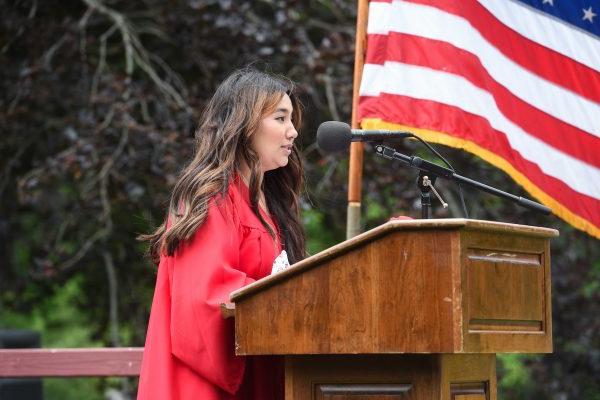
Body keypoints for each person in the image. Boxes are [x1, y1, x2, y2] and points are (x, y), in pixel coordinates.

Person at [137, 68, 306, 399]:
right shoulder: (210, 198)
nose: (294, 132)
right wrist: (289, 294)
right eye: (281, 118)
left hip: (254, 369)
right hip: (202, 387)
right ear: (244, 125)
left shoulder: (268, 203)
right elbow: (206, 295)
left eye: (292, 120)